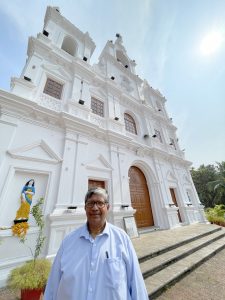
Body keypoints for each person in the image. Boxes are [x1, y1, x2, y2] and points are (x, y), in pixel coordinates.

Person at [44, 187, 149, 300]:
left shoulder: (122, 239)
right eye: (90, 203)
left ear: (107, 207)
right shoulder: (69, 241)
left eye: (100, 203)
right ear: (85, 208)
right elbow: (53, 283)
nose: (95, 208)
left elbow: (136, 282)